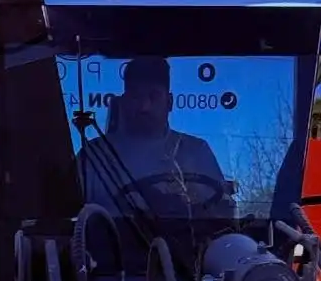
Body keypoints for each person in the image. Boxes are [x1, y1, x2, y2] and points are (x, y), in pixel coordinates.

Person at [78, 55, 234, 221]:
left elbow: (222, 219)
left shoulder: (195, 152)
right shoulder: (93, 157)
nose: (144, 106)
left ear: (169, 102)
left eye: (154, 96)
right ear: (124, 101)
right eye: (136, 96)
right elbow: (65, 223)